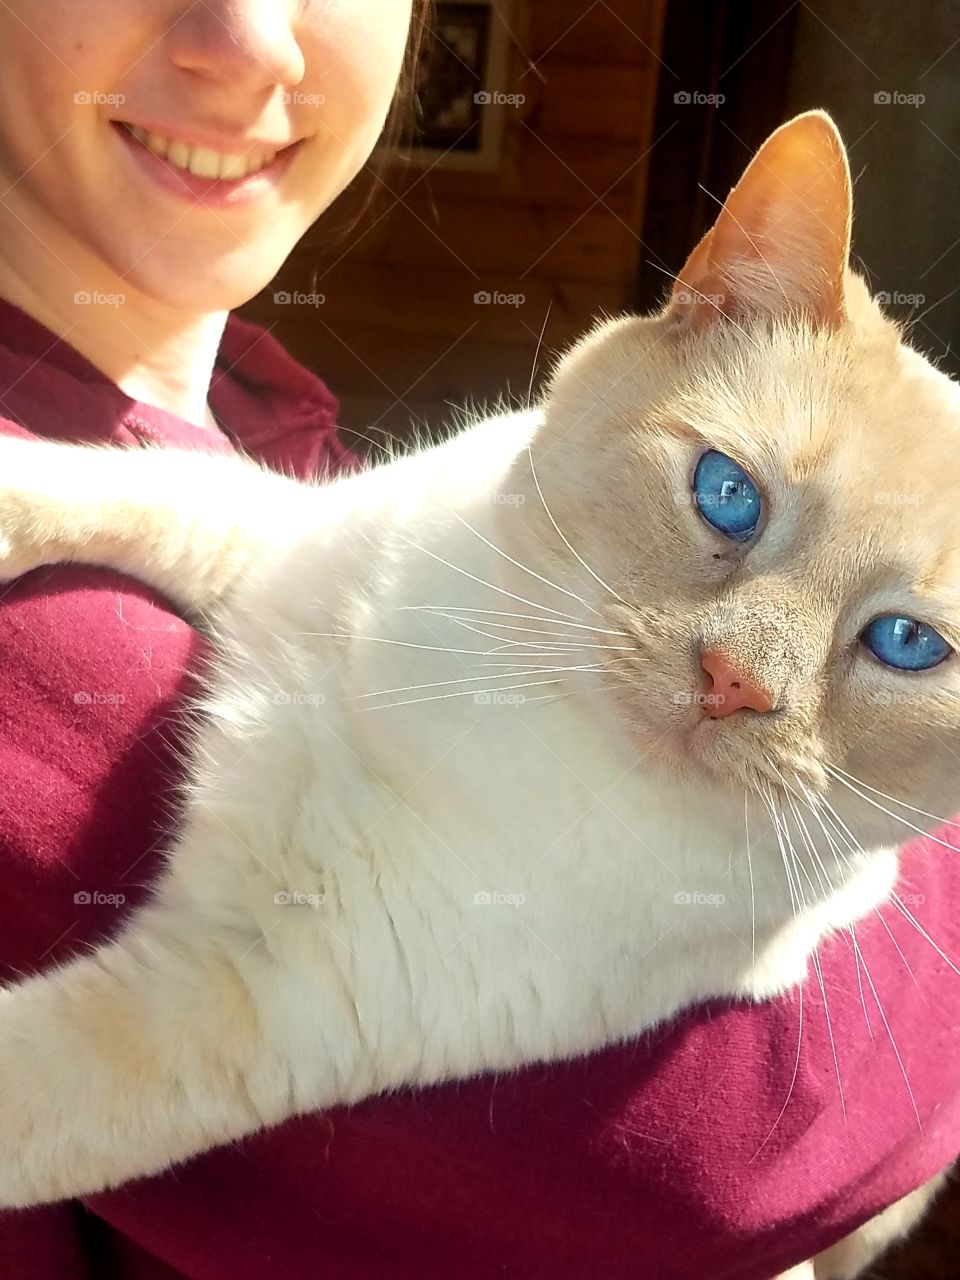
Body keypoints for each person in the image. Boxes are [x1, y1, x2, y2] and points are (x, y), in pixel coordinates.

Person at [0, 5, 957, 1278]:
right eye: (728, 500)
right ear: (716, 299)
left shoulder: (266, 406)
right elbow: (720, 1155)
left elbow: (279, 545)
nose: (747, 669)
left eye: (899, 639)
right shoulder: (54, 654)